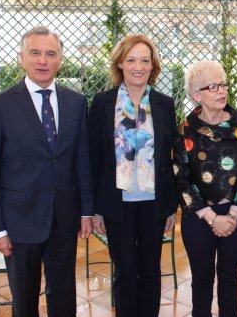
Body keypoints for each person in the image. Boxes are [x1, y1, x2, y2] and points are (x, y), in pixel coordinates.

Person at [0, 26, 94, 317]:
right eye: (35, 53)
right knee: (25, 301)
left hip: (64, 221)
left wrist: (86, 212)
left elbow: (83, 162)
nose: (43, 60)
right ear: (22, 58)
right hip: (19, 223)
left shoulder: (76, 103)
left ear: (60, 60)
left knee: (64, 296)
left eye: (50, 54)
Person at [89, 34, 178, 316]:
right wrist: (95, 208)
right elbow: (94, 158)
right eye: (131, 59)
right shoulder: (102, 103)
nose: (138, 66)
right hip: (117, 204)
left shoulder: (165, 104)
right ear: (120, 64)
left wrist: (171, 205)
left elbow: (171, 158)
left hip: (154, 202)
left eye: (144, 60)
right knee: (125, 272)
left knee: (151, 271)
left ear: (153, 66)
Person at [172, 60, 237, 317]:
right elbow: (181, 178)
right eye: (213, 87)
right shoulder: (184, 131)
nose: (221, 91)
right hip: (198, 218)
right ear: (196, 95)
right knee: (201, 281)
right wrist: (211, 217)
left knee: (230, 281)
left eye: (223, 84)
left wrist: (231, 216)